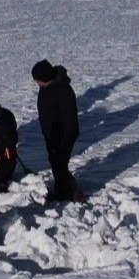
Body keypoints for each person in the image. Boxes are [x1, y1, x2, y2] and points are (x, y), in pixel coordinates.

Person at [32, 59, 84, 202]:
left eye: (37, 80)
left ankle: (71, 193)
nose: (36, 83)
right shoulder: (46, 87)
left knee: (59, 166)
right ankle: (64, 191)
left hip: (62, 137)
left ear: (44, 78)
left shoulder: (63, 91)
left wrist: (64, 143)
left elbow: (70, 120)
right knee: (57, 165)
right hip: (52, 135)